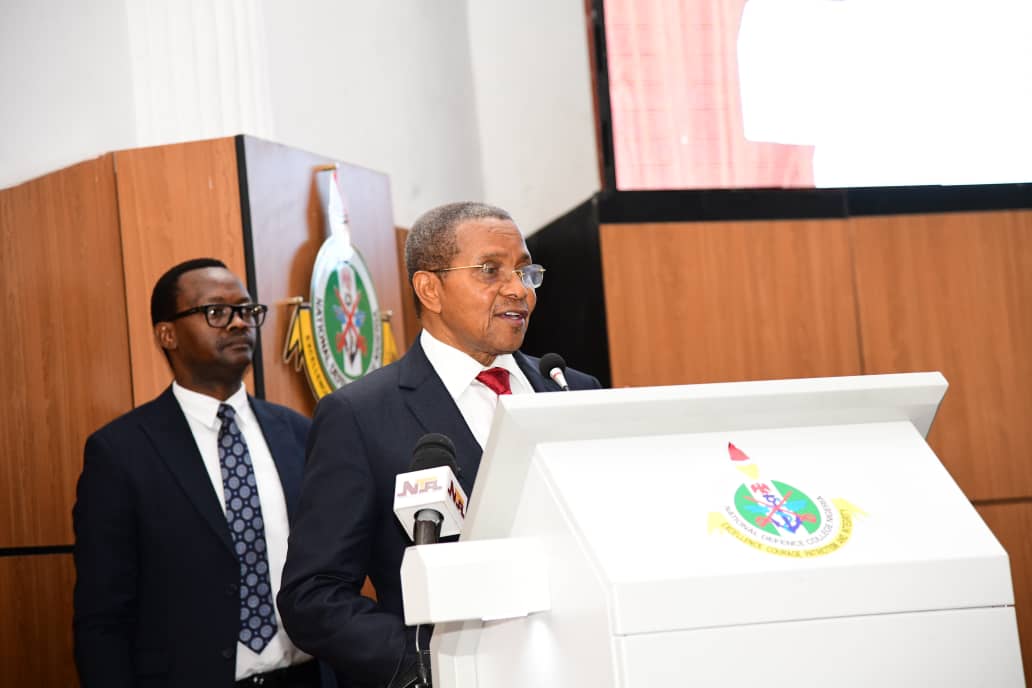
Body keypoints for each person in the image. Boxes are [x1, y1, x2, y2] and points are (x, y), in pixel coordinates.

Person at [278, 202, 602, 687]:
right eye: (490, 270)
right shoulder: (361, 416)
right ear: (430, 289)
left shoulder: (573, 389)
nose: (519, 290)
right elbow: (312, 596)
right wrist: (427, 665)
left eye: (525, 271)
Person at [73, 258, 323, 688]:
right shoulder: (120, 453)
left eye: (246, 310)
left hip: (310, 675)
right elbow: (103, 617)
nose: (238, 323)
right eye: (216, 312)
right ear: (166, 334)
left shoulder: (300, 433)